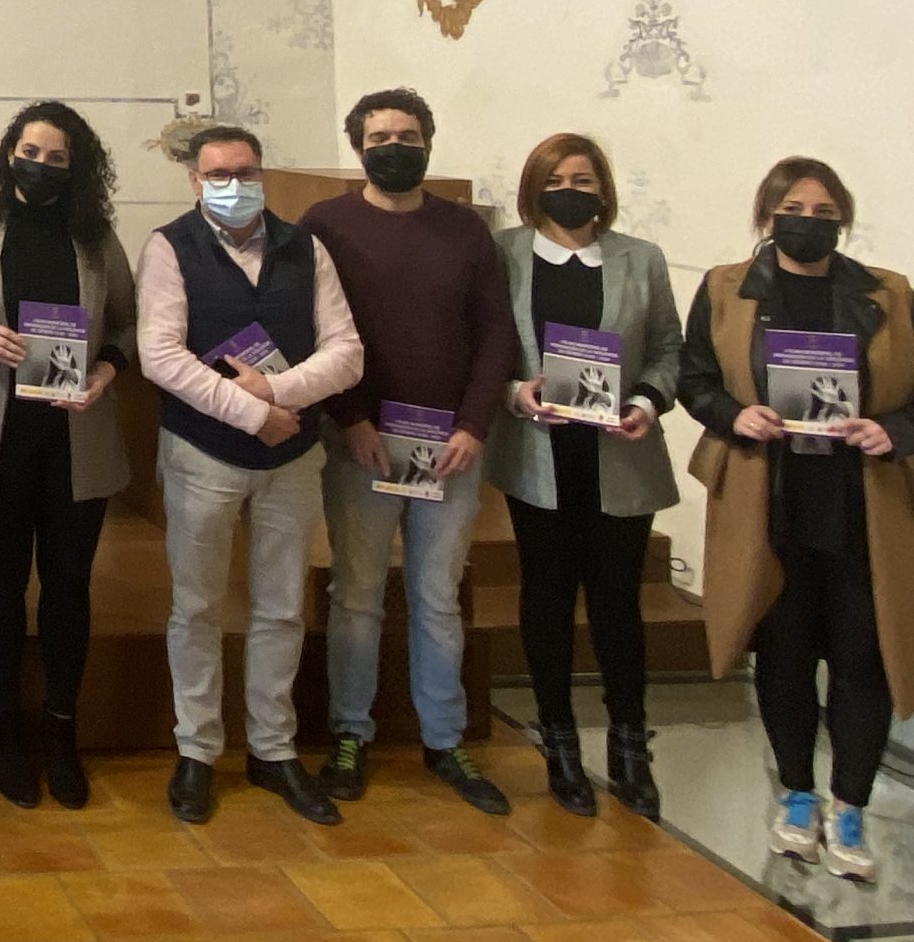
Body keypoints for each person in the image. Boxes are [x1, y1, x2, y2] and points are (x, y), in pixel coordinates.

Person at [679, 157, 913, 884]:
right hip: (769, 502)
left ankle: (851, 805)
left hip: (861, 507)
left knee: (862, 660)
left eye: (823, 212)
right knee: (783, 656)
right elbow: (695, 379)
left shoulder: (890, 293)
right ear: (767, 215)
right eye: (793, 209)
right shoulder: (726, 288)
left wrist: (892, 431)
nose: (808, 222)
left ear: (843, 218)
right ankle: (798, 795)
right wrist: (734, 414)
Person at [136, 125, 362, 828]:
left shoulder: (306, 247)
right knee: (197, 608)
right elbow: (160, 356)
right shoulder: (168, 247)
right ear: (195, 181)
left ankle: (272, 749)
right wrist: (252, 412)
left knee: (281, 608)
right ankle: (197, 749)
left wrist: (277, 395)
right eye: (217, 175)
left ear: (263, 174)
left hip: (292, 457)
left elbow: (347, 352)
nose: (233, 185)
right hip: (203, 454)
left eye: (246, 172)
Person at [304, 88, 516, 814]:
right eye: (379, 138)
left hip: (450, 446)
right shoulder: (325, 224)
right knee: (356, 594)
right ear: (357, 147)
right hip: (360, 440)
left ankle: (444, 739)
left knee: (437, 597)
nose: (394, 147)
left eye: (407, 136)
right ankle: (349, 734)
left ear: (428, 141)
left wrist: (474, 426)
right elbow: (312, 328)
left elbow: (495, 333)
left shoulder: (466, 230)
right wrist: (351, 419)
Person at [0, 100, 135, 811]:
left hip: (77, 435)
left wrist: (106, 370)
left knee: (68, 586)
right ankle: (6, 730)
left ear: (76, 167)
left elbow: (126, 326)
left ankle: (60, 730)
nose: (40, 165)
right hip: (1, 432)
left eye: (56, 157)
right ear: (9, 153)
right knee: (1, 581)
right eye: (29, 152)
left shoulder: (96, 237)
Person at [484, 133, 681, 820]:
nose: (572, 189)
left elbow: (668, 349)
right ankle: (559, 743)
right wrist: (515, 393)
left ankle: (629, 745)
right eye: (558, 178)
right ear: (534, 187)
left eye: (585, 179)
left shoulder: (641, 259)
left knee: (617, 603)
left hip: (618, 455)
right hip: (539, 455)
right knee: (546, 597)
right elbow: (482, 347)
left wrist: (646, 402)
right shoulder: (503, 254)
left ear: (604, 189)